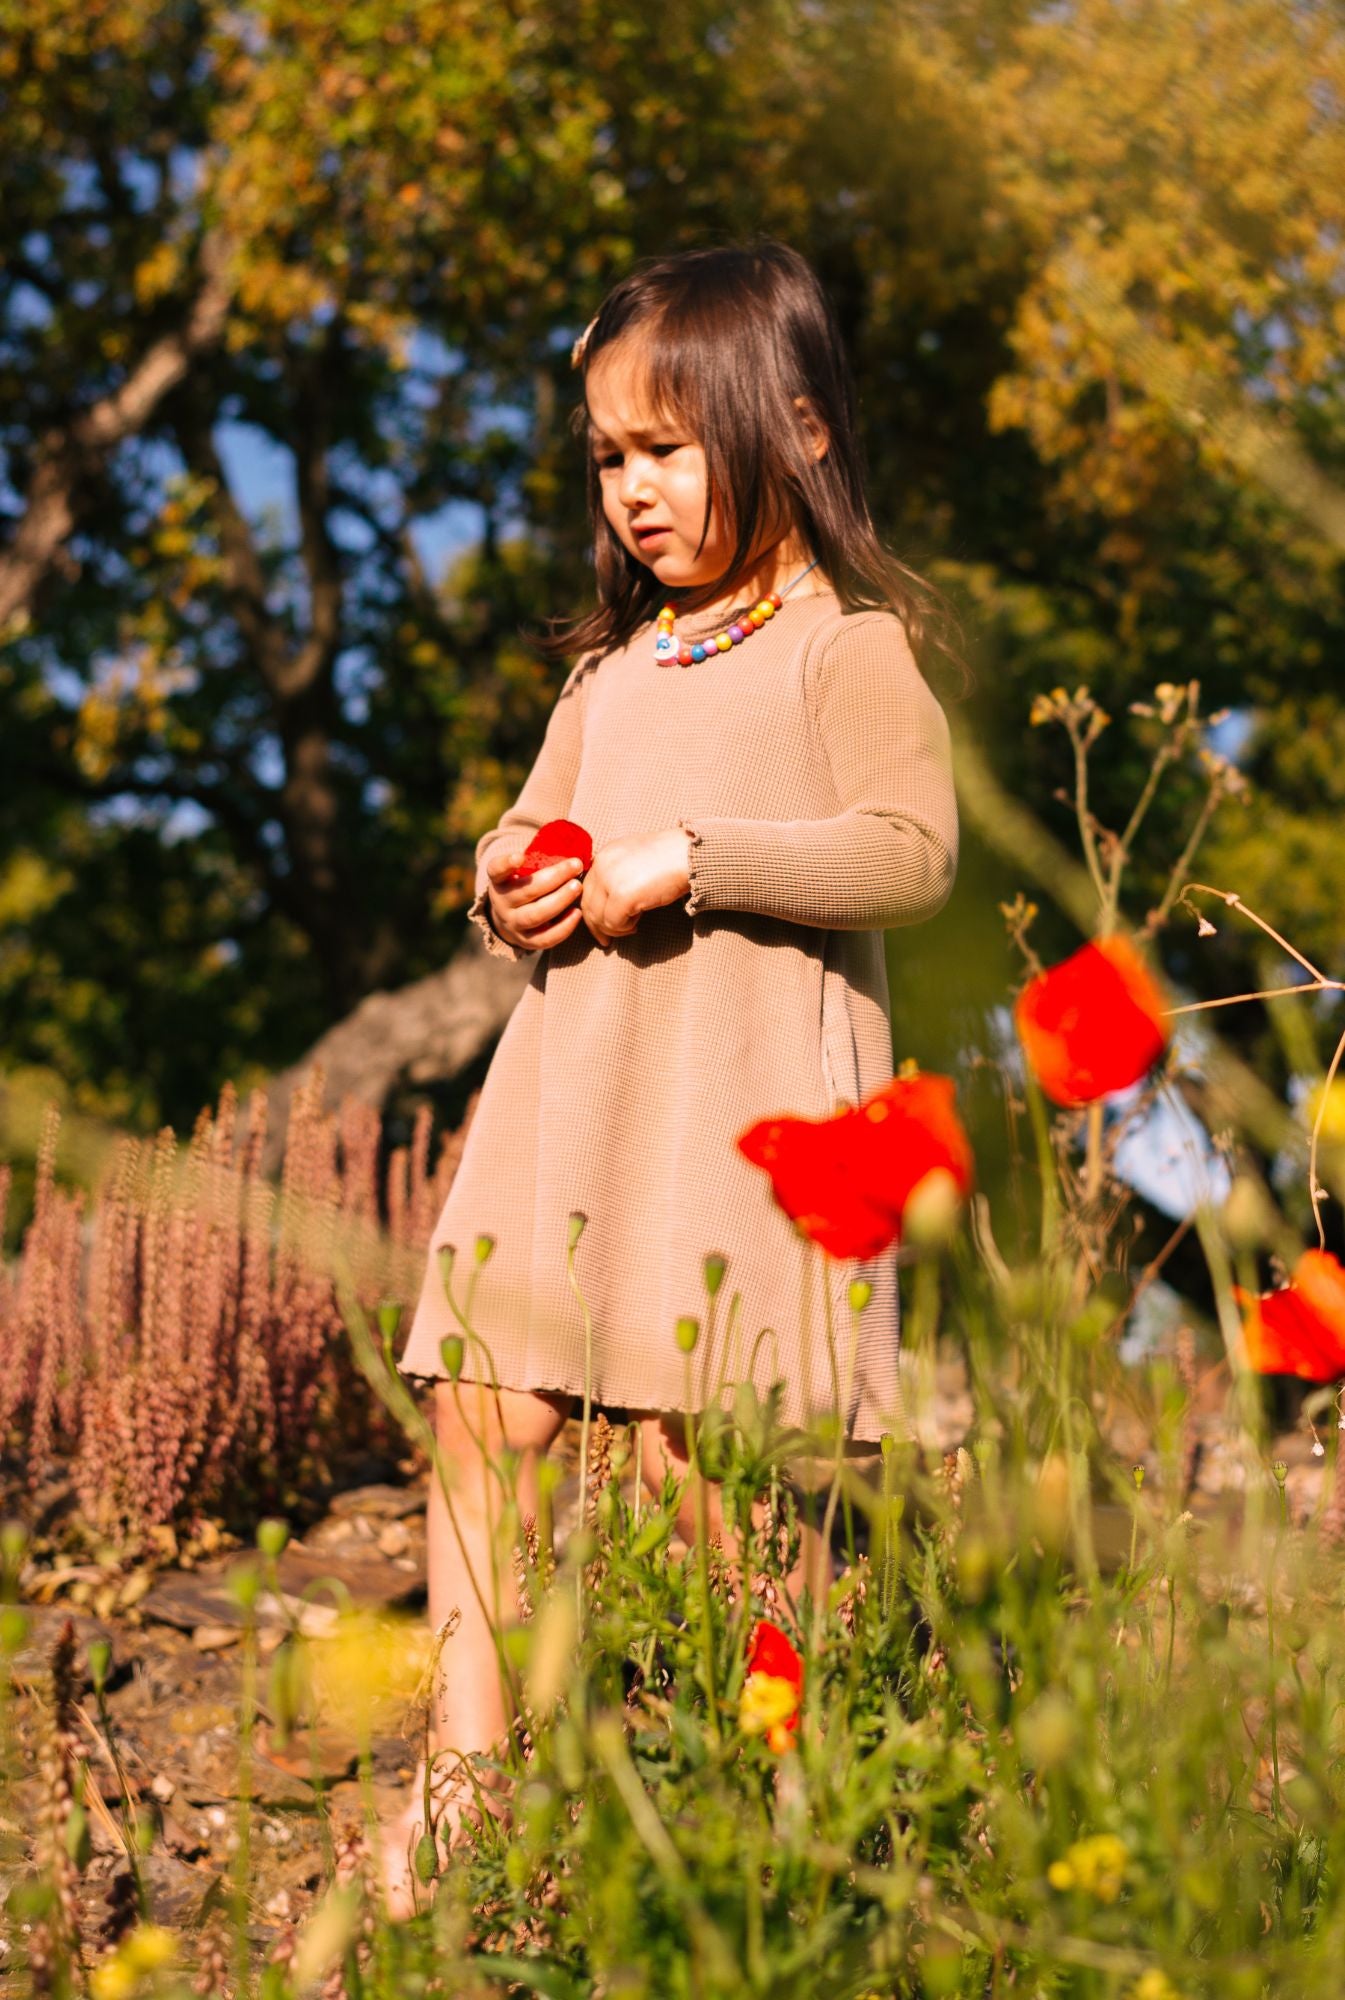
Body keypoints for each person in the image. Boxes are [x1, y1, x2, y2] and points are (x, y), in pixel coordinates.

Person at [378, 238, 961, 1916]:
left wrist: (688, 859)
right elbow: (525, 832)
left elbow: (907, 852)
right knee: (482, 1407)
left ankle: (774, 1822)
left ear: (796, 430)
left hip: (739, 1109)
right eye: (606, 458)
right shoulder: (608, 673)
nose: (631, 491)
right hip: (571, 1087)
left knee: (715, 1495)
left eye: (666, 446)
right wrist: (514, 874)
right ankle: (465, 1778)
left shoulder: (843, 652)